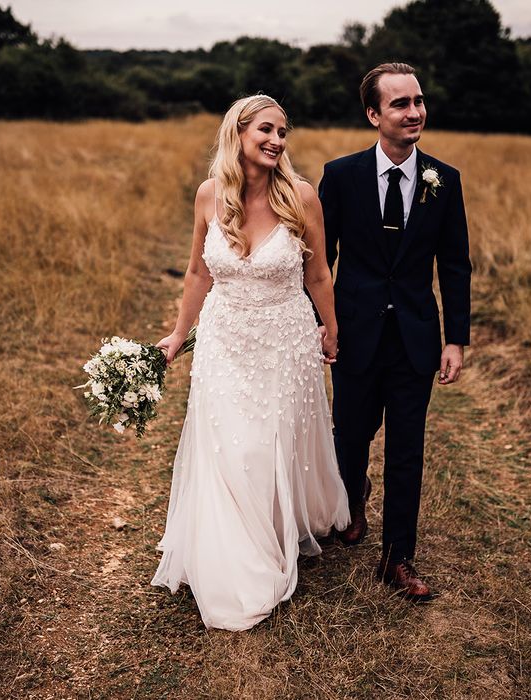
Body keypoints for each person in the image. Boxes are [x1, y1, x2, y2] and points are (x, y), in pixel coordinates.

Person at [151, 94, 349, 631]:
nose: (277, 141)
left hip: (284, 340)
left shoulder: (302, 197)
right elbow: (197, 275)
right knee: (228, 446)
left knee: (265, 446)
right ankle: (234, 557)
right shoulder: (209, 196)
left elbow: (318, 277)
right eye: (266, 129)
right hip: (223, 339)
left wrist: (329, 328)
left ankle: (270, 536)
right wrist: (178, 335)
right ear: (238, 132)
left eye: (284, 132)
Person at [319, 63, 471, 600]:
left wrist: (455, 338)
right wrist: (322, 324)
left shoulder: (444, 180)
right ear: (373, 114)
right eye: (401, 104)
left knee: (407, 449)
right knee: (349, 438)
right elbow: (322, 259)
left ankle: (398, 558)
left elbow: (455, 263)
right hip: (356, 332)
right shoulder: (340, 176)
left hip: (415, 337)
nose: (415, 112)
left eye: (419, 101)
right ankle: (351, 501)